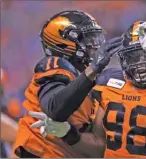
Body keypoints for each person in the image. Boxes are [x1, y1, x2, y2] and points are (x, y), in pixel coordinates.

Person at [29, 8, 146, 158]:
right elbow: (99, 147)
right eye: (134, 56)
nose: (141, 63)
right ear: (124, 57)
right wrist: (67, 132)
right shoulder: (108, 82)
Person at [14, 10, 123, 158]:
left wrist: (69, 133)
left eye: (95, 38)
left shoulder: (98, 81)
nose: (95, 45)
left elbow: (99, 149)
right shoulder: (55, 64)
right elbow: (55, 110)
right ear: (63, 43)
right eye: (87, 40)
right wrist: (92, 71)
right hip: (41, 152)